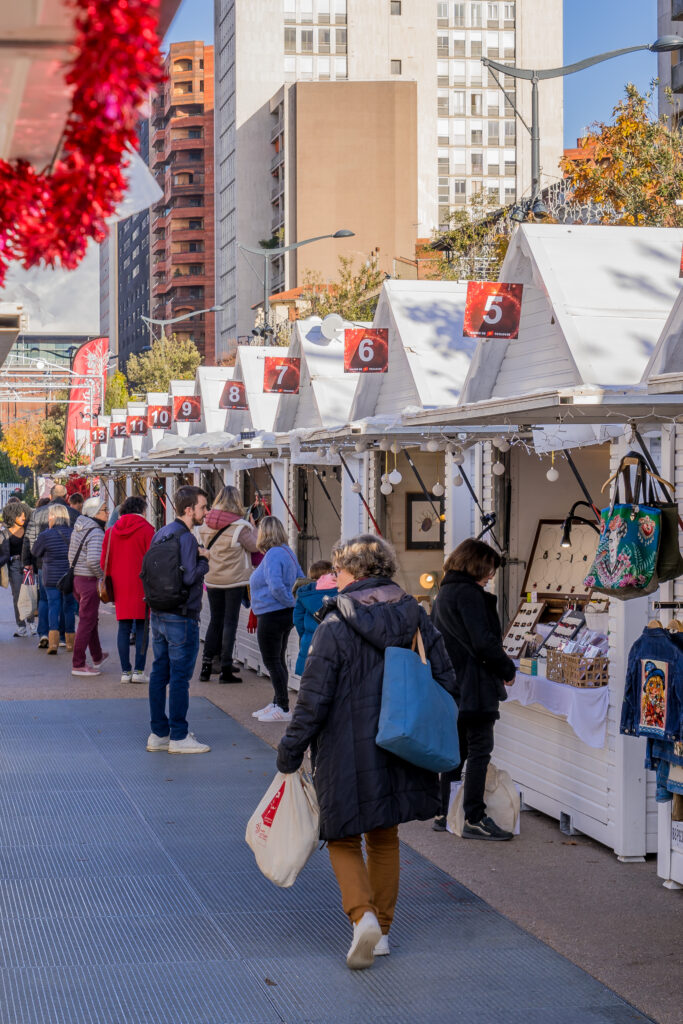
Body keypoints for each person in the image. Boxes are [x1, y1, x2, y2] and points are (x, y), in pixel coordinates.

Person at [277, 534, 456, 969]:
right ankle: (385, 932)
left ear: (355, 573)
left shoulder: (334, 625)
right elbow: (447, 681)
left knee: (340, 835)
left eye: (338, 570)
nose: (334, 578)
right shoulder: (417, 618)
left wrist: (290, 749)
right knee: (384, 835)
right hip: (402, 743)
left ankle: (363, 918)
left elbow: (314, 699)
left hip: (345, 747)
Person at [431, 538, 517, 841]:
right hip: (475, 684)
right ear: (477, 564)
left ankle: (445, 812)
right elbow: (484, 642)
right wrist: (507, 669)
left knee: (456, 751)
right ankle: (474, 816)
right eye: (490, 568)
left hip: (451, 685)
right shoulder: (471, 595)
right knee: (480, 750)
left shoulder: (444, 593)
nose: (491, 574)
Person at [146, 485, 211, 755]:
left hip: (158, 612)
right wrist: (204, 560)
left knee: (159, 673)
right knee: (181, 677)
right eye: (203, 507)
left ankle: (159, 733)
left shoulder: (161, 533)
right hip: (182, 615)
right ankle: (179, 735)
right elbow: (188, 577)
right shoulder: (186, 538)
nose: (206, 513)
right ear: (189, 509)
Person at [198, 485, 258, 683]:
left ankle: (206, 666)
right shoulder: (240, 527)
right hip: (234, 580)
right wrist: (254, 526)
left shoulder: (206, 524)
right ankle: (225, 668)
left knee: (215, 620)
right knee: (230, 622)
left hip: (212, 578)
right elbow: (254, 546)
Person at [249, 516, 303, 723]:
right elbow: (301, 578)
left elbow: (276, 586)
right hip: (283, 614)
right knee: (278, 659)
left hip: (272, 613)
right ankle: (277, 702)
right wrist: (293, 604)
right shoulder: (288, 552)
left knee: (272, 661)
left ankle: (282, 706)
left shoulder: (272, 555)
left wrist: (289, 602)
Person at [102, 495, 154, 684]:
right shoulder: (148, 530)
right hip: (142, 584)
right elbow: (152, 560)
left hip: (120, 585)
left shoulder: (111, 531)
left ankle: (125, 671)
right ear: (142, 510)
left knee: (123, 628)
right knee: (142, 627)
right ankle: (139, 671)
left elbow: (103, 562)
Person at [23, 484, 79, 648]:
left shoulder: (38, 513)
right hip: (68, 568)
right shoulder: (74, 514)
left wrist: (27, 562)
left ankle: (44, 633)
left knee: (47, 600)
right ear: (67, 495)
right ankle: (65, 637)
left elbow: (29, 539)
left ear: (51, 494)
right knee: (67, 603)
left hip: (44, 564)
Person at [69, 496, 108, 677]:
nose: (107, 513)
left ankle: (97, 655)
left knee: (90, 620)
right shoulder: (96, 532)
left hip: (78, 578)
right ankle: (78, 663)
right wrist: (102, 576)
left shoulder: (80, 527)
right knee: (86, 622)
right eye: (104, 510)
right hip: (89, 581)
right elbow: (93, 560)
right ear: (94, 513)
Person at [30, 504, 75, 654]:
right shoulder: (72, 533)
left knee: (53, 606)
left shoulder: (45, 535)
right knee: (68, 608)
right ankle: (70, 643)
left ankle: (53, 643)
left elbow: (35, 551)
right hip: (68, 577)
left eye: (50, 515)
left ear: (54, 517)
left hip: (51, 577)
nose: (48, 518)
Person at [293, 560, 337, 676]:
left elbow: (298, 619)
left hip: (310, 641)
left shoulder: (304, 593)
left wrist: (305, 636)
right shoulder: (339, 592)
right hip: (333, 642)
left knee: (309, 680)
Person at [0, 501, 35, 637]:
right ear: (12, 516)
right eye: (20, 515)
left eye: (24, 515)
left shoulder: (28, 530)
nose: (23, 517)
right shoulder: (4, 534)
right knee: (17, 596)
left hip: (27, 565)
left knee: (29, 593)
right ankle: (21, 626)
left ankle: (31, 623)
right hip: (14, 565)